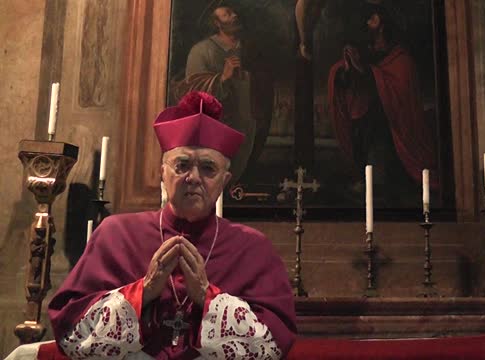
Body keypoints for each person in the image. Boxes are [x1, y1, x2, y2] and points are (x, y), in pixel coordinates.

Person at [42, 91, 296, 359]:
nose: (193, 177)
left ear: (225, 180)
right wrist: (145, 291)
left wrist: (206, 296)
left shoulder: (252, 248)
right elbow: (71, 329)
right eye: (182, 165)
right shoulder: (115, 234)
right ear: (161, 172)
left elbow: (273, 344)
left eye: (208, 168)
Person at [328, 4, 436, 197]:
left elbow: (399, 98)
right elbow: (352, 84)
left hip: (390, 137)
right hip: (365, 129)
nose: (365, 24)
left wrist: (366, 72)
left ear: (379, 21)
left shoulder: (401, 60)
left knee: (381, 171)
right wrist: (344, 69)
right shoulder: (365, 53)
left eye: (370, 19)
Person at [175, 5, 272, 184]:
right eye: (227, 14)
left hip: (248, 125)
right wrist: (223, 79)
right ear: (216, 22)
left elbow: (264, 85)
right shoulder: (202, 51)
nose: (234, 15)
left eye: (233, 12)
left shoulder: (250, 50)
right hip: (217, 130)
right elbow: (192, 95)